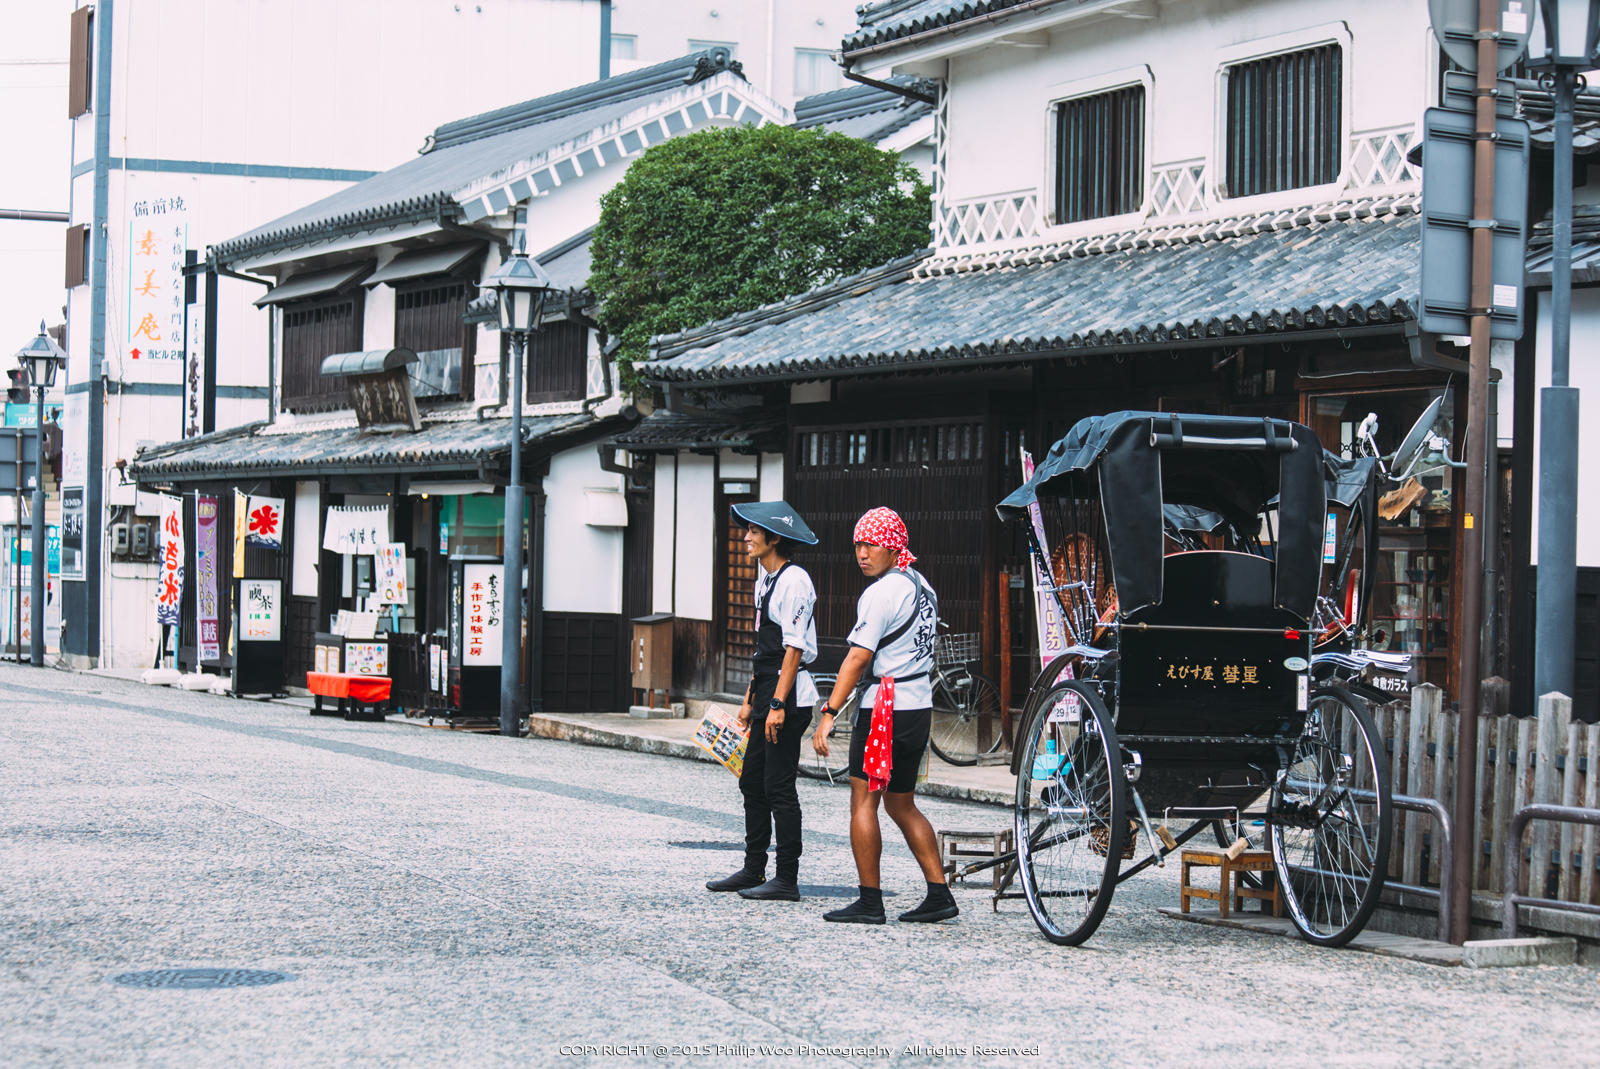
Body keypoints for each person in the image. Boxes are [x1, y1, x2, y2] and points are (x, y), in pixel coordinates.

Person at [813, 507, 957, 925]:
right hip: (918, 706)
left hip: (885, 709)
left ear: (894, 548)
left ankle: (870, 900)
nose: (862, 553)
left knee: (864, 801)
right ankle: (939, 894)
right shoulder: (923, 586)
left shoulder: (881, 593)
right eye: (858, 544)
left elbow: (858, 658)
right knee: (901, 804)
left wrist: (829, 711)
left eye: (871, 545)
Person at [705, 501, 820, 902]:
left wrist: (776, 705)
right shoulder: (765, 581)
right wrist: (749, 700)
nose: (746, 537)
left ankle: (787, 877)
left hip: (789, 695)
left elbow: (793, 650)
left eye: (754, 532)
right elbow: (764, 650)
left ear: (774, 538)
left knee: (779, 785)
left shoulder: (795, 581)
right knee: (751, 779)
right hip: (767, 689)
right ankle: (753, 867)